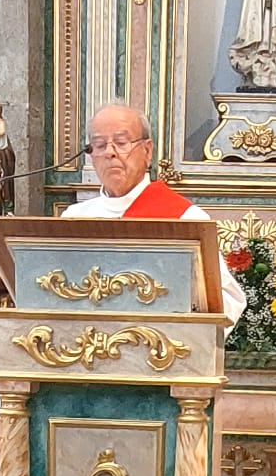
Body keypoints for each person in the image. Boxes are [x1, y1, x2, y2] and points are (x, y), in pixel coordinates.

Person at [61, 102, 246, 327]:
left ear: (147, 151)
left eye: (121, 143)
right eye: (99, 145)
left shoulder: (185, 219)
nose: (110, 152)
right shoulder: (74, 218)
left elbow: (227, 301)